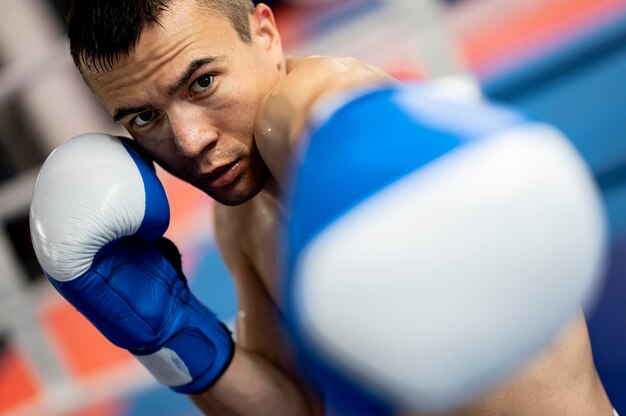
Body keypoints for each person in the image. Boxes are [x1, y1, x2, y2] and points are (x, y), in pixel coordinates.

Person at [31, 0, 615, 414]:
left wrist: (352, 127)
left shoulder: (322, 107)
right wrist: (168, 336)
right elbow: (296, 408)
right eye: (144, 118)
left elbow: (317, 104)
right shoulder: (238, 215)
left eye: (202, 83)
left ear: (265, 34)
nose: (188, 142)